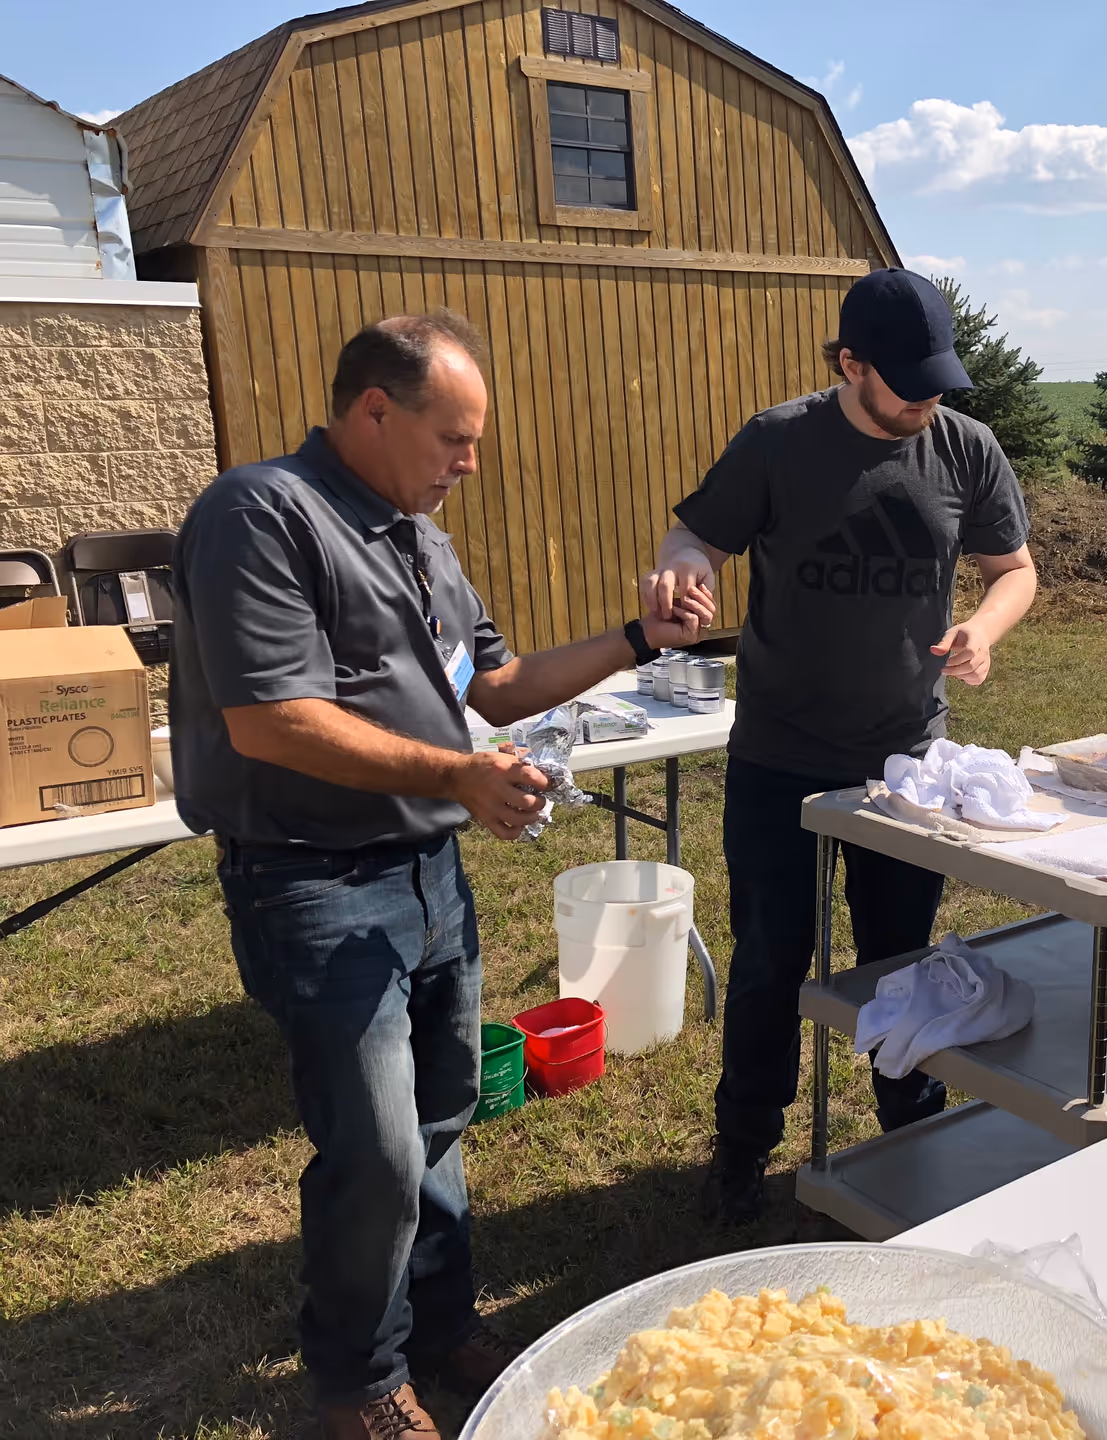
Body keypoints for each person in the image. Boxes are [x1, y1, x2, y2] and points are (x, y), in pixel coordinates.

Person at [170, 311, 696, 1439]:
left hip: (425, 872)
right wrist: (458, 773)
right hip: (312, 881)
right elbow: (269, 721)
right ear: (373, 410)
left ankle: (442, 1319)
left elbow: (496, 687)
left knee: (445, 1113)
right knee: (376, 1145)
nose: (469, 464)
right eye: (454, 439)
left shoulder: (416, 533)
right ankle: (358, 1382)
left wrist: (637, 641)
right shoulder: (261, 516)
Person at [643, 269, 1038, 1225]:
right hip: (781, 755)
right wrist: (682, 573)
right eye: (906, 384)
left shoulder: (965, 448)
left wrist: (985, 627)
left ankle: (909, 1123)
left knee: (903, 959)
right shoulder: (780, 441)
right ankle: (744, 1145)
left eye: (938, 382)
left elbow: (1014, 569)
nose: (925, 401)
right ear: (850, 364)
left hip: (906, 765)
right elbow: (694, 533)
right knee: (771, 958)